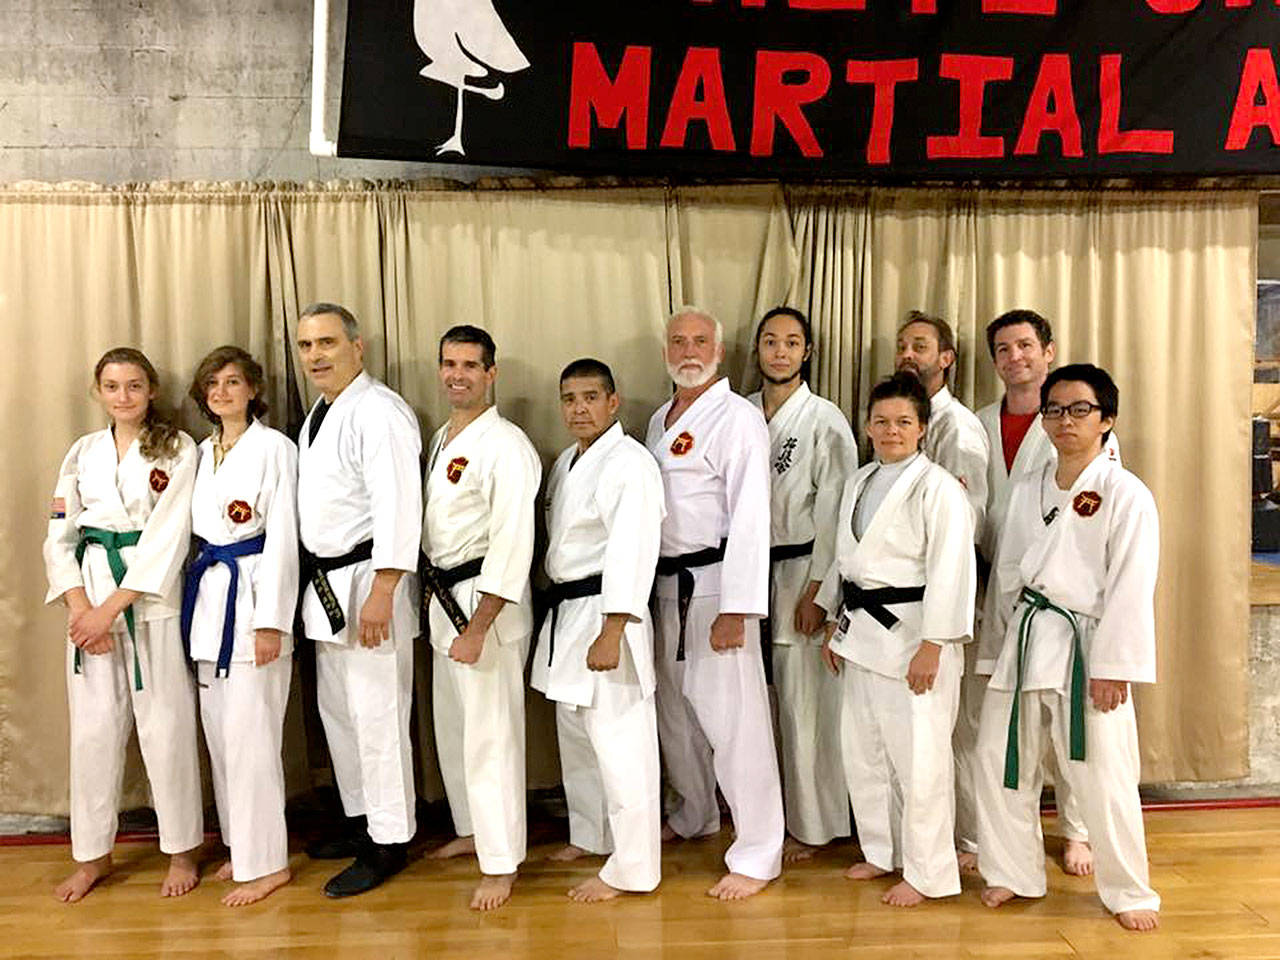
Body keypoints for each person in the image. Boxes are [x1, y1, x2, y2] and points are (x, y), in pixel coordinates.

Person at [975, 364, 1160, 932]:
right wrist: (996, 647)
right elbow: (1008, 573)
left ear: (1107, 419)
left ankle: (1128, 889)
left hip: (1087, 645)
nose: (1064, 420)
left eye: (1080, 409)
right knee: (999, 760)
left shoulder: (1124, 492)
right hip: (1027, 638)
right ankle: (1011, 870)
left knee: (1102, 773)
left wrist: (1114, 665)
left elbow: (1133, 583)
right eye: (1053, 410)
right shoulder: (1029, 485)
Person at [44, 347, 202, 902]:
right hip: (89, 602)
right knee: (92, 734)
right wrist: (80, 608)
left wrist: (109, 611)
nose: (124, 396)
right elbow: (58, 534)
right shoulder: (82, 453)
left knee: (166, 728)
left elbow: (168, 538)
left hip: (149, 603)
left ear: (152, 390)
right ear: (99, 393)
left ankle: (181, 850)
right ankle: (91, 856)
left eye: (134, 385)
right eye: (112, 387)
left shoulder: (178, 448)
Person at [816, 372, 976, 908]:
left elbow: (952, 570)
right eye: (881, 421)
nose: (891, 431)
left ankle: (929, 871)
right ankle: (882, 850)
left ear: (923, 429)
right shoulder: (859, 481)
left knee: (920, 758)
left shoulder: (939, 489)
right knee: (862, 750)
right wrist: (836, 627)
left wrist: (935, 643)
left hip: (914, 636)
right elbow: (848, 562)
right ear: (867, 426)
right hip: (860, 632)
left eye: (903, 422)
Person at [646, 306, 784, 901]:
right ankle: (695, 812)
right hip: (667, 587)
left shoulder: (737, 418)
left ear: (721, 352)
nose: (688, 349)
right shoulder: (660, 417)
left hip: (717, 586)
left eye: (700, 340)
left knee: (736, 724)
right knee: (677, 716)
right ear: (665, 351)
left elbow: (753, 515)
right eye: (678, 340)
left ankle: (758, 852)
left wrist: (739, 606)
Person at [976, 309, 1118, 877]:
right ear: (994, 362)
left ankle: (1077, 829)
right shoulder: (977, 421)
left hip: (1063, 597)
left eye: (1026, 346)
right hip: (995, 578)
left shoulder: (1080, 424)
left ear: (1048, 351)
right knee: (1008, 728)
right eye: (1004, 350)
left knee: (1071, 726)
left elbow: (1093, 523)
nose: (1016, 358)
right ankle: (1011, 845)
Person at [295, 303, 423, 898]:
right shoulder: (320, 413)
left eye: (326, 342)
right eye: (305, 345)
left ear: (357, 346)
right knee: (341, 716)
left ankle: (391, 839)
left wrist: (385, 588)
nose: (316, 355)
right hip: (328, 587)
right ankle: (359, 821)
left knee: (378, 718)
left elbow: (400, 504)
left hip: (371, 583)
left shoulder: (379, 411)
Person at [531, 358, 664, 903]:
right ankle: (592, 835)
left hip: (608, 613)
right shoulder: (567, 461)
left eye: (591, 397)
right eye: (569, 398)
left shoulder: (629, 463)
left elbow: (634, 550)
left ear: (614, 403)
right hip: (569, 613)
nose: (579, 408)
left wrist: (614, 629)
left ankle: (634, 868)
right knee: (579, 736)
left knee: (621, 745)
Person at [422, 325, 540, 912]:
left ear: (492, 373)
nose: (458, 374)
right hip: (444, 603)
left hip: (483, 611)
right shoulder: (444, 437)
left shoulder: (508, 445)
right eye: (449, 363)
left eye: (470, 364)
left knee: (491, 739)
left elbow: (513, 544)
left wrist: (479, 625)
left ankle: (501, 862)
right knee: (454, 731)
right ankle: (472, 831)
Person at [183, 346, 297, 907]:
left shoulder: (275, 448)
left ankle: (268, 862)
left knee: (254, 741)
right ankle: (240, 845)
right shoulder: (202, 453)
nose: (223, 391)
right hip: (210, 602)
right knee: (222, 739)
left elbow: (282, 538)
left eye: (233, 382)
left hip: (254, 605)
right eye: (213, 384)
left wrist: (273, 619)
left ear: (254, 389)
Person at [747, 307, 858, 862]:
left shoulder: (825, 419)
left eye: (792, 342)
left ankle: (817, 827)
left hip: (801, 571)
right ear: (758, 349)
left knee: (805, 706)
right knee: (758, 708)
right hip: (744, 574)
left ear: (808, 352)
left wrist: (820, 590)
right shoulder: (739, 414)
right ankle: (769, 818)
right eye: (770, 341)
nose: (781, 352)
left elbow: (839, 514)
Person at [894, 310, 990, 870]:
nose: (909, 353)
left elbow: (964, 523)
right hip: (902, 600)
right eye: (903, 345)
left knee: (955, 729)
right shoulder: (901, 419)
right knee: (918, 731)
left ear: (946, 358)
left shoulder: (957, 429)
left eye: (921, 345)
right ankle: (926, 839)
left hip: (944, 596)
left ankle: (970, 841)